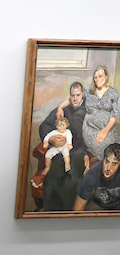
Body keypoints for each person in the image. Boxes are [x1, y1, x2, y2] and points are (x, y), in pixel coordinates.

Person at [38, 82, 87, 211]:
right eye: (72, 95)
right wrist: (51, 139)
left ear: (82, 94)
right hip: (59, 153)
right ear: (69, 96)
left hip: (78, 153)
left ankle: (67, 217)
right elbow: (44, 126)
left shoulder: (89, 110)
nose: (75, 98)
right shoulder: (63, 110)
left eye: (78, 95)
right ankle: (51, 216)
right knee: (52, 179)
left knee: (72, 181)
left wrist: (87, 154)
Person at [58, 65, 120, 163]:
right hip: (90, 128)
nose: (97, 79)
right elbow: (73, 98)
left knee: (115, 148)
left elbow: (115, 113)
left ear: (106, 77)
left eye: (100, 76)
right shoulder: (88, 90)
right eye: (95, 77)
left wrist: (105, 130)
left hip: (108, 128)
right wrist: (60, 107)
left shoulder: (113, 93)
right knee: (101, 146)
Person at [74, 143, 120, 211]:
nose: (108, 168)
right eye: (107, 162)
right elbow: (79, 205)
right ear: (103, 159)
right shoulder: (93, 173)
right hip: (98, 205)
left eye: (114, 164)